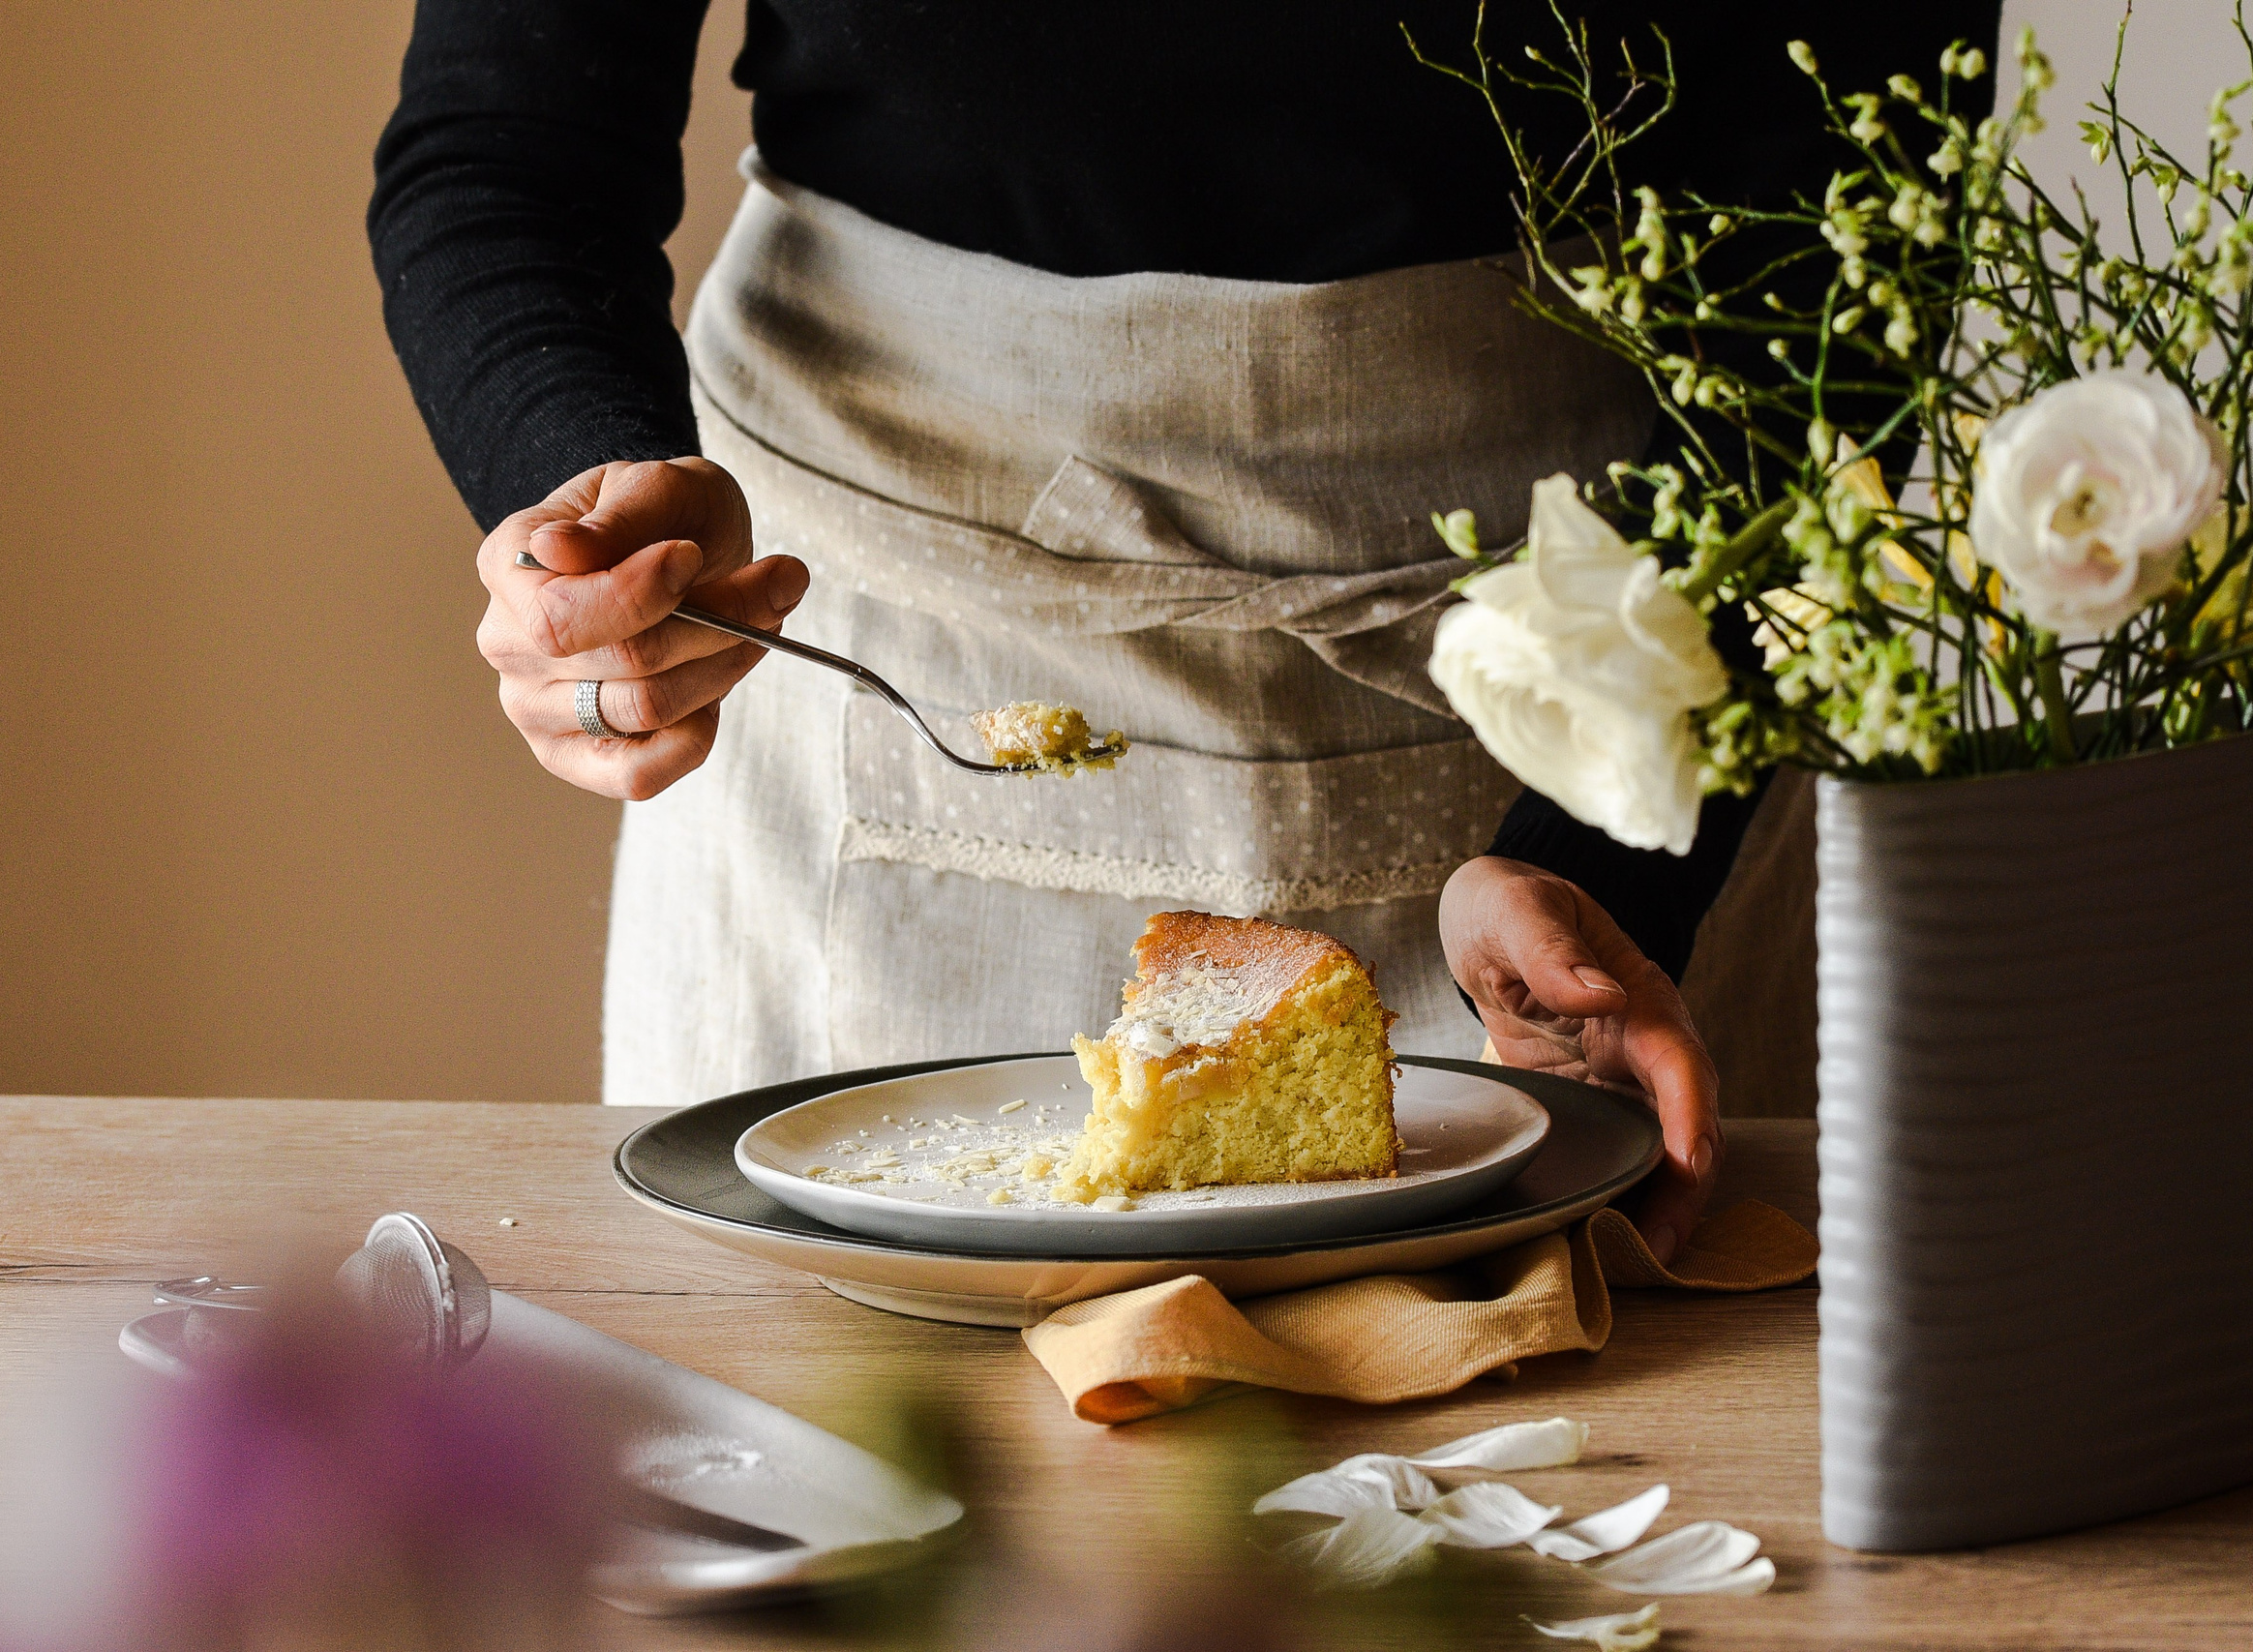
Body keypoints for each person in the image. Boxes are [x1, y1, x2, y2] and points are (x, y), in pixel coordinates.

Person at [371, 2, 1998, 1260]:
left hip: (1612, 669)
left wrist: (1611, 853)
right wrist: (592, 517)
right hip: (868, 654)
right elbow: (506, 150)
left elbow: (1850, 283)